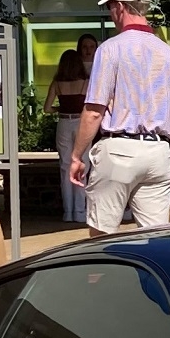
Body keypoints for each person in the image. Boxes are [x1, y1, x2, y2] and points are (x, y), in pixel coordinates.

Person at [71, 0, 170, 235]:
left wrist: (76, 156)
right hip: (158, 152)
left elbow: (94, 111)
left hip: (118, 149)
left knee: (101, 238)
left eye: (110, 8)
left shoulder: (110, 50)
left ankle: (103, 276)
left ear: (119, 7)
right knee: (155, 241)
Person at [46, 36, 96, 224]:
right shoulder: (86, 81)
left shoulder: (57, 82)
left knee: (65, 166)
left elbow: (47, 108)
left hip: (63, 122)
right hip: (80, 123)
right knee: (83, 164)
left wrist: (61, 109)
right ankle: (80, 210)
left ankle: (68, 212)